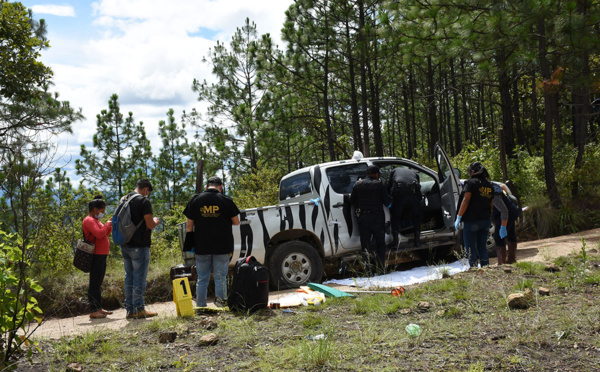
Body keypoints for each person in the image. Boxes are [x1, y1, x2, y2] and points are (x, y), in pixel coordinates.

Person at [183, 176, 240, 307]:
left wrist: (189, 245)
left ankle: (201, 306)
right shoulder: (226, 200)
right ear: (220, 187)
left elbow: (189, 227)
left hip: (201, 246)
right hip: (222, 246)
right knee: (220, 278)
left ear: (207, 187)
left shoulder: (195, 200)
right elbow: (236, 222)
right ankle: (220, 306)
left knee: (202, 279)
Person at [122, 179, 160, 319]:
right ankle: (138, 308)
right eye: (148, 192)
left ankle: (130, 310)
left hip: (125, 244)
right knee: (139, 278)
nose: (148, 195)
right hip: (139, 245)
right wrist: (156, 221)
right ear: (145, 189)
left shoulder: (125, 199)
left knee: (129, 277)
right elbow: (149, 224)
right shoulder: (143, 201)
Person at [350, 165, 392, 274]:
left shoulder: (357, 184)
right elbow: (388, 203)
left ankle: (367, 270)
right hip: (377, 218)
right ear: (376, 174)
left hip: (363, 218)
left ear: (367, 174)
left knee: (365, 245)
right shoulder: (379, 184)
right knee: (380, 244)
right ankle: (381, 269)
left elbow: (351, 200)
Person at [454, 162, 495, 268]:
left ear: (473, 172)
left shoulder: (471, 183)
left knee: (471, 247)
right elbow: (491, 204)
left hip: (472, 221)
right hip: (485, 220)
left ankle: (473, 268)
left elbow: (466, 200)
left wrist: (458, 217)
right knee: (482, 246)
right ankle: (485, 267)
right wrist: (489, 218)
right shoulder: (489, 185)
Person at [82, 195, 114, 319]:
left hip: (101, 255)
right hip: (96, 255)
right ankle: (93, 309)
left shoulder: (96, 221)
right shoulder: (89, 220)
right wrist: (107, 223)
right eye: (101, 211)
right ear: (95, 209)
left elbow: (105, 233)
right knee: (94, 283)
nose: (102, 214)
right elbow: (100, 234)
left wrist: (109, 225)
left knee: (98, 283)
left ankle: (98, 307)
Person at [386, 167, 422, 248]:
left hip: (400, 191)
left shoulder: (394, 170)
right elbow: (419, 184)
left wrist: (387, 197)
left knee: (396, 215)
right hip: (414, 190)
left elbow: (387, 185)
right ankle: (417, 241)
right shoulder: (413, 172)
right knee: (416, 215)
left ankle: (395, 243)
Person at [493, 183, 521, 264]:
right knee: (511, 234)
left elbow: (504, 210)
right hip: (512, 211)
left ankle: (502, 263)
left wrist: (503, 226)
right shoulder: (495, 186)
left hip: (508, 213)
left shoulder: (491, 191)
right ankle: (511, 260)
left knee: (498, 237)